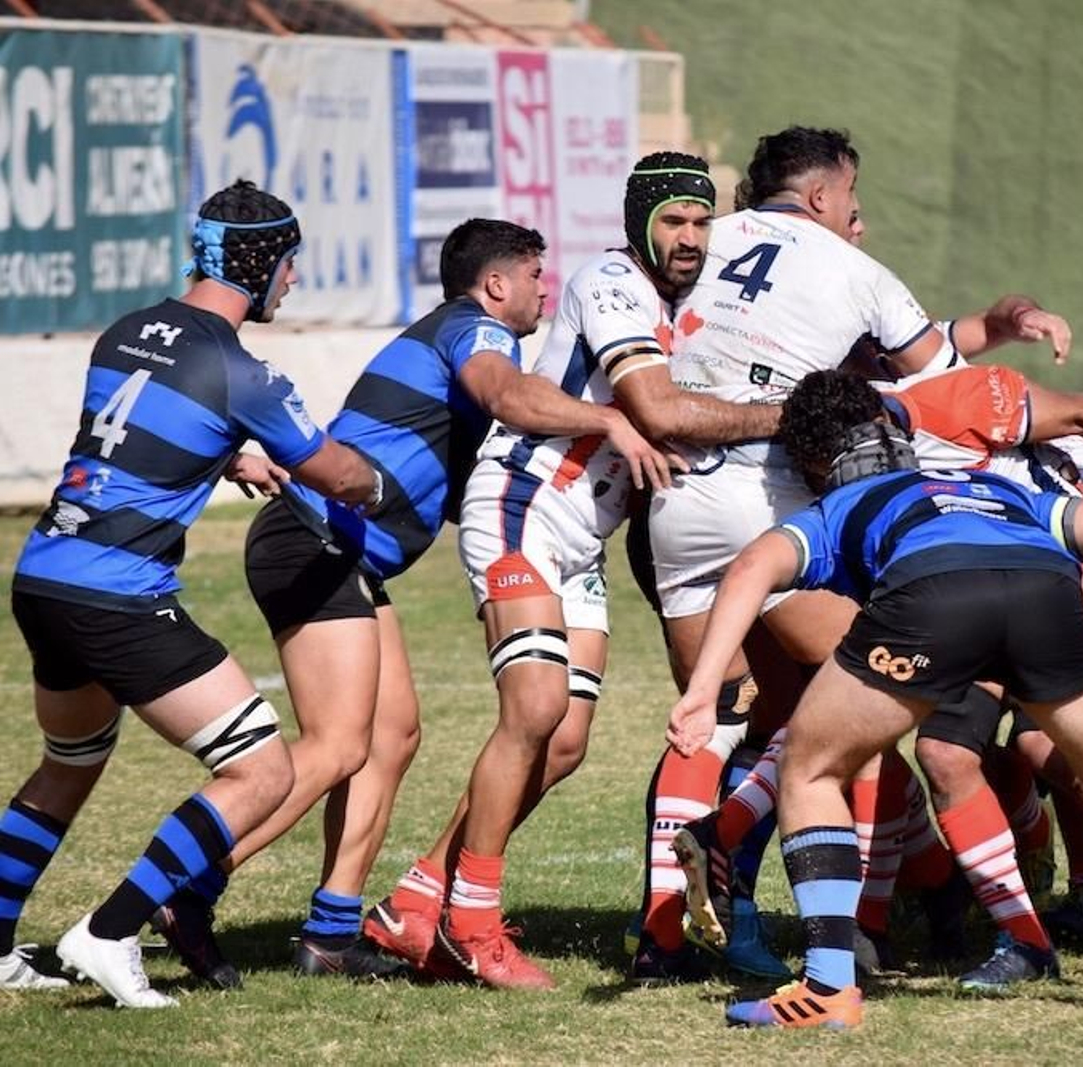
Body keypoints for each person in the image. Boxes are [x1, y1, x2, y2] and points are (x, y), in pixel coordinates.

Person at [666, 369, 1083, 1029]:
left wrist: (702, 690)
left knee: (811, 768)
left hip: (933, 595)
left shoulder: (840, 506)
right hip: (1045, 591)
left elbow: (752, 565)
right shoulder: (990, 486)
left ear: (820, 462)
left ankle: (829, 988)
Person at [151, 218, 671, 986]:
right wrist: (609, 419)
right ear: (496, 283)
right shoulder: (472, 332)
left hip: (343, 553)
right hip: (314, 541)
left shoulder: (456, 342)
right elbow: (507, 394)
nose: (542, 289)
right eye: (534, 274)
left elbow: (458, 485)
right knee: (337, 744)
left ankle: (332, 931)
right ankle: (179, 887)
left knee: (393, 736)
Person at [357, 152, 784, 988]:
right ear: (640, 226)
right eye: (673, 221)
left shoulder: (689, 306)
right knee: (536, 707)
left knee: (563, 744)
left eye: (701, 222)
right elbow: (653, 410)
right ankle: (471, 926)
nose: (690, 237)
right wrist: (631, 426)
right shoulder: (612, 282)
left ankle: (416, 899)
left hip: (580, 541)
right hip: (523, 506)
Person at [0, 181, 376, 1006]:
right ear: (265, 263)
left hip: (44, 573)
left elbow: (134, 429)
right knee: (261, 767)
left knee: (70, 762)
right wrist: (380, 483)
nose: (295, 282)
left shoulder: (126, 331)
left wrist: (228, 454)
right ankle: (109, 931)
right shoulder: (243, 371)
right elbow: (334, 471)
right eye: (291, 265)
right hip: (119, 592)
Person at [630, 126, 968, 981]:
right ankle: (891, 906)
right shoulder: (859, 271)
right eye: (853, 195)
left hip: (671, 500)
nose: (859, 212)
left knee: (724, 718)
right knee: (878, 691)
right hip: (770, 496)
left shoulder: (702, 234)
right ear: (822, 196)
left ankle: (666, 939)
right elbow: (938, 379)